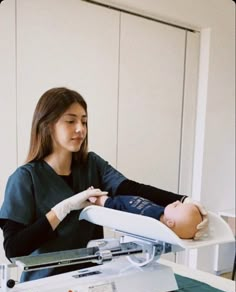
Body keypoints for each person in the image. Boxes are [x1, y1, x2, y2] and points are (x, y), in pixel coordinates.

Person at [0, 87, 208, 282]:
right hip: (46, 284)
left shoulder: (92, 164)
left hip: (94, 278)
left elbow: (132, 189)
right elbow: (13, 250)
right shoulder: (24, 178)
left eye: (84, 121)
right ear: (47, 125)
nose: (80, 129)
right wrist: (61, 210)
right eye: (70, 121)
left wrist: (184, 201)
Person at [88, 194, 203, 239]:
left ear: (170, 223)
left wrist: (98, 200)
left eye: (177, 207)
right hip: (122, 195)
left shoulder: (151, 222)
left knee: (103, 200)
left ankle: (94, 198)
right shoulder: (165, 213)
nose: (177, 202)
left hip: (117, 205)